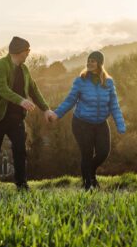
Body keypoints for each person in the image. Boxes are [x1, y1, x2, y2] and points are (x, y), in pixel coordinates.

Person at [0, 36, 54, 190]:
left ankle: (21, 184)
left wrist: (46, 109)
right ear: (19, 51)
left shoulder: (24, 69)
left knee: (20, 151)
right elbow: (2, 89)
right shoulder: (0, 65)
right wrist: (21, 101)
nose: (29, 53)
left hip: (16, 119)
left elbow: (33, 89)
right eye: (27, 50)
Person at [46, 51, 126, 190]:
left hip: (101, 123)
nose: (89, 63)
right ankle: (87, 185)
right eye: (88, 61)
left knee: (103, 152)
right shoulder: (80, 81)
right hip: (82, 123)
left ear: (100, 63)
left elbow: (114, 105)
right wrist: (57, 114)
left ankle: (90, 173)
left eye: (93, 61)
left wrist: (120, 124)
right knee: (87, 153)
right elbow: (70, 100)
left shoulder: (108, 82)